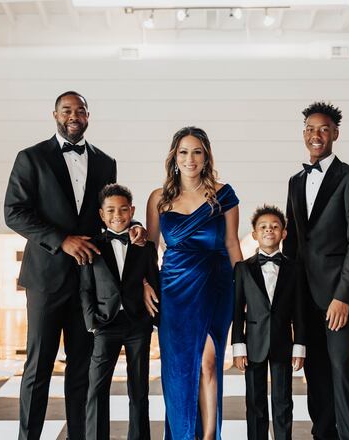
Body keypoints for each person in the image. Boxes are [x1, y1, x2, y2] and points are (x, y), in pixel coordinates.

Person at [4, 91, 146, 440]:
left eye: (80, 110)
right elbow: (14, 212)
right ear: (55, 114)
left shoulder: (105, 162)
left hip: (91, 285)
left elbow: (110, 215)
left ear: (88, 116)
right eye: (67, 110)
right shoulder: (31, 158)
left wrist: (133, 228)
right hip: (46, 278)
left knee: (82, 368)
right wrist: (61, 240)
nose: (73, 116)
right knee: (38, 367)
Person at [144, 126, 243, 440]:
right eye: (184, 152)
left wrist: (247, 291)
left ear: (206, 156)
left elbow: (231, 244)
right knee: (180, 369)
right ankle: (184, 433)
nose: (190, 158)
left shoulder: (223, 194)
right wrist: (145, 282)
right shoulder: (159, 198)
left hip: (216, 285)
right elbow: (149, 247)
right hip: (174, 291)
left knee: (209, 362)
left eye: (197, 151)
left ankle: (209, 435)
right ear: (175, 156)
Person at [282, 101, 349, 440]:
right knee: (315, 374)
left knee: (342, 369)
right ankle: (324, 434)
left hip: (337, 297)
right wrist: (287, 299)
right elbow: (292, 244)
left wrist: (343, 296)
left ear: (334, 134)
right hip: (305, 296)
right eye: (309, 129)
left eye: (322, 129)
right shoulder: (295, 181)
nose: (315, 135)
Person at [79, 184, 160, 440]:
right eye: (111, 210)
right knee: (97, 388)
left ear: (132, 211)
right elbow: (85, 288)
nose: (118, 215)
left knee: (138, 389)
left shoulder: (144, 246)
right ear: (102, 215)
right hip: (105, 324)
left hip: (137, 324)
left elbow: (152, 279)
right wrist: (92, 321)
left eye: (124, 209)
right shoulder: (92, 245)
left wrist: (153, 318)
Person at [232, 205, 306, 440]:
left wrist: (299, 346)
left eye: (275, 227)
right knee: (254, 402)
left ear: (283, 233)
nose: (269, 230)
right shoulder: (243, 269)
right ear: (254, 234)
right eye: (263, 227)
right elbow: (237, 311)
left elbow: (300, 312)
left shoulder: (295, 269)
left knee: (283, 402)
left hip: (283, 343)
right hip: (253, 344)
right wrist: (238, 346)